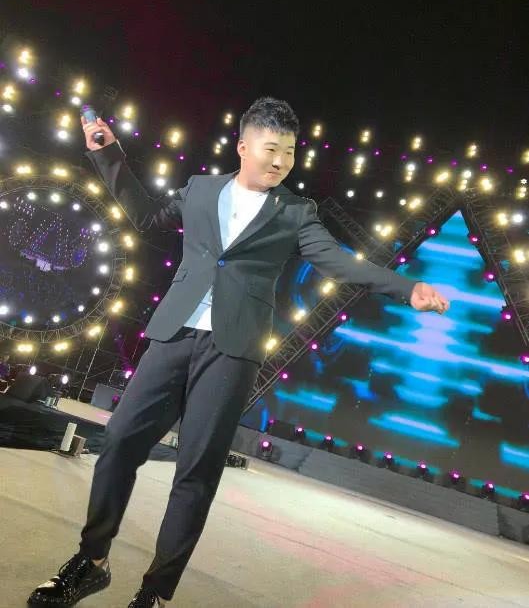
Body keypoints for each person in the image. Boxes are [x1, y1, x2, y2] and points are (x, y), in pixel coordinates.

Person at [28, 96, 449, 607]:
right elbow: (145, 215)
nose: (280, 162)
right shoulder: (201, 189)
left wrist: (404, 288)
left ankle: (154, 593)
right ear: (244, 146)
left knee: (196, 471)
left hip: (232, 351)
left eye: (289, 153)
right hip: (175, 334)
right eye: (271, 149)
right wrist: (108, 154)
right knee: (118, 442)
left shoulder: (296, 212)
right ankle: (92, 561)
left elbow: (337, 261)